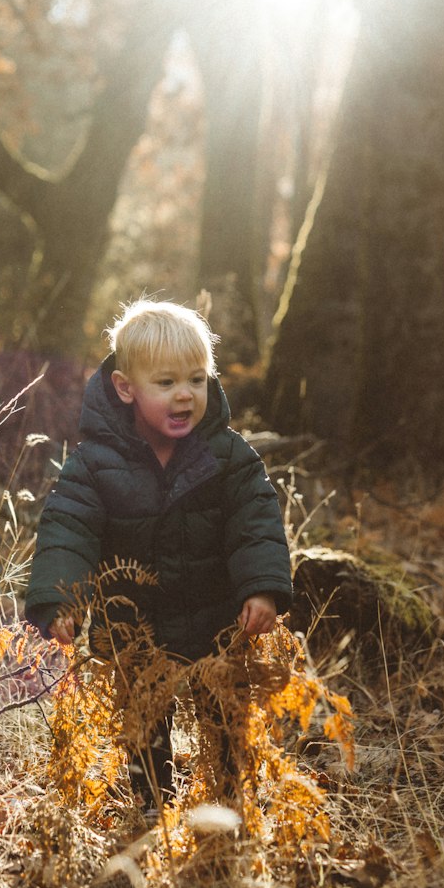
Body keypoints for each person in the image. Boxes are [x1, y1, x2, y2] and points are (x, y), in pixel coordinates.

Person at [25, 297, 293, 814]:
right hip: (134, 627)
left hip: (216, 620)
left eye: (196, 380)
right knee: (143, 722)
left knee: (225, 717)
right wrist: (62, 600)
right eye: (166, 383)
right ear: (126, 389)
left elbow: (255, 522)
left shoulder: (228, 454)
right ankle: (150, 801)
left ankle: (229, 800)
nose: (184, 396)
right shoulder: (95, 463)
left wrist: (261, 587)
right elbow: (68, 529)